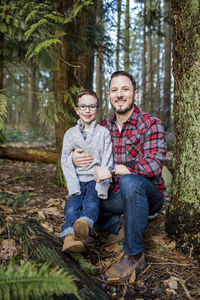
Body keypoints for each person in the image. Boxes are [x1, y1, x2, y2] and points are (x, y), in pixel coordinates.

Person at [72, 71, 167, 281]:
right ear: (108, 96)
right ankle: (117, 225)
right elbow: (84, 149)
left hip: (147, 194)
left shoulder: (150, 124)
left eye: (125, 89)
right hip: (115, 197)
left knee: (130, 181)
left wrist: (115, 169)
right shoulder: (103, 127)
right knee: (81, 200)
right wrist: (74, 157)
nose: (120, 94)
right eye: (115, 90)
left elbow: (153, 166)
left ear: (135, 94)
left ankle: (134, 255)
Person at [60, 90, 113, 253]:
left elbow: (107, 160)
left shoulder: (103, 133)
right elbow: (65, 160)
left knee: (91, 202)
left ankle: (84, 226)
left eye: (91, 106)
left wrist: (103, 186)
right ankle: (69, 237)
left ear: (98, 110)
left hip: (96, 179)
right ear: (77, 110)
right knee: (72, 206)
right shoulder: (70, 134)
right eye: (83, 106)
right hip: (77, 179)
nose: (87, 110)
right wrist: (72, 186)